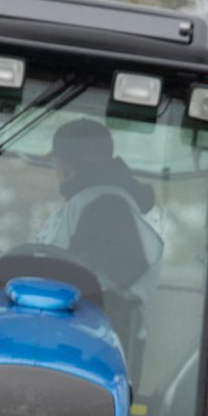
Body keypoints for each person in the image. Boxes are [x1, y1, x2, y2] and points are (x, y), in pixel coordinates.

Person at [42, 117, 162, 367]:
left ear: (66, 166)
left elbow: (82, 275)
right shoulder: (89, 203)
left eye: (54, 162)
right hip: (84, 336)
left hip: (93, 345)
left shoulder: (107, 205)